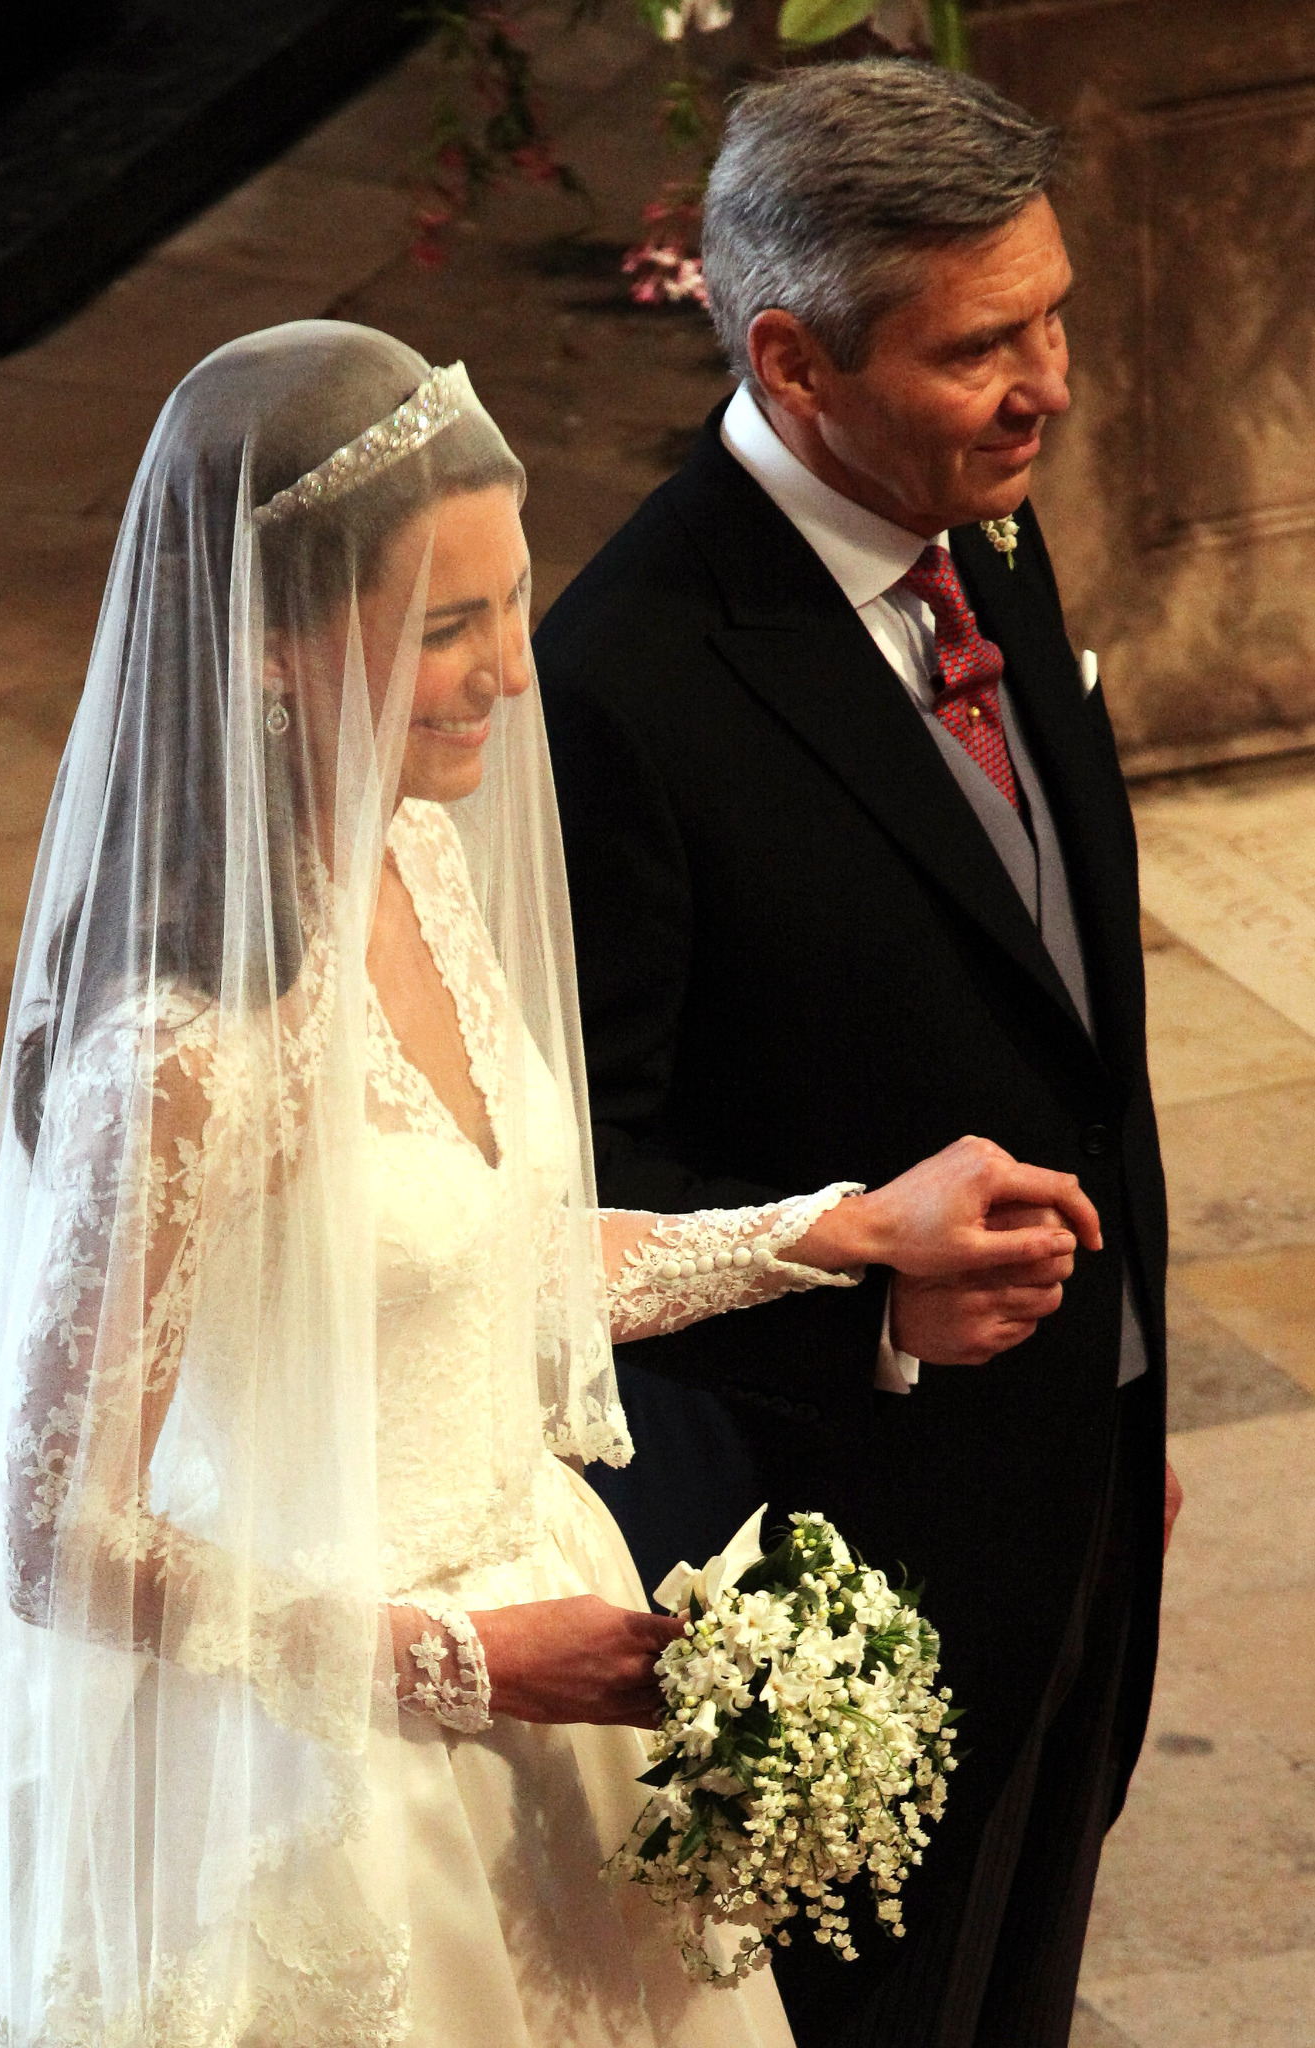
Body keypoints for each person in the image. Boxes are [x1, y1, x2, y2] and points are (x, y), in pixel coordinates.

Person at [0, 321, 1096, 2046]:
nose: (513, 671)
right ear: (272, 646)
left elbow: (488, 1257)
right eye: (447, 626)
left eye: (510, 601)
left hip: (541, 1627)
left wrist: (828, 1233)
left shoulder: (421, 861)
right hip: (310, 1751)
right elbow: (57, 1539)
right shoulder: (181, 1053)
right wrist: (461, 1660)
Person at [536, 58, 1176, 2048]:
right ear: (794, 357)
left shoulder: (984, 529)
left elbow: (1059, 1009)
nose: (1047, 382)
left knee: (1022, 1983)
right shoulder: (624, 684)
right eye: (982, 343)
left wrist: (1118, 1379)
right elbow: (573, 1194)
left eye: (1052, 314)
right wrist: (872, 1319)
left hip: (1078, 1464)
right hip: (843, 1535)